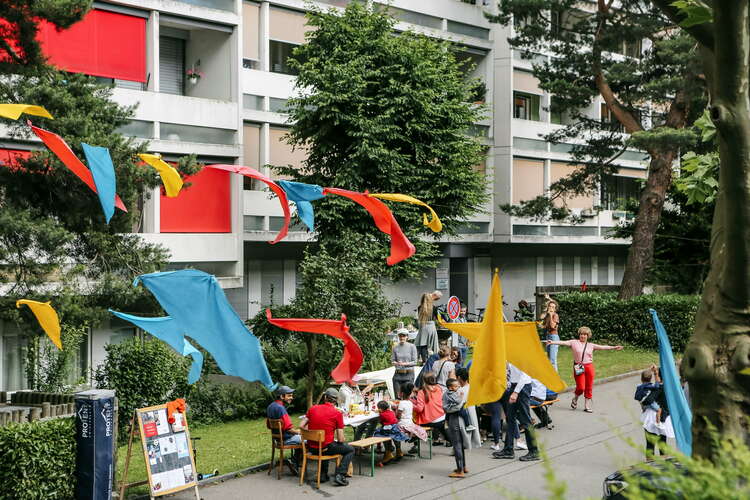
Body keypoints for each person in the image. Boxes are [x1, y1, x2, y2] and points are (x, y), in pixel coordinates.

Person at [546, 326, 623, 412]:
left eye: (585, 334)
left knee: (589, 386)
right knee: (581, 387)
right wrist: (552, 342)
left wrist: (614, 347)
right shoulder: (574, 342)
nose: (582, 336)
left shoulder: (591, 345)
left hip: (589, 366)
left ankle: (587, 406)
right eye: (581, 334)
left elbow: (603, 347)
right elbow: (563, 342)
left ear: (588, 336)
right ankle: (575, 398)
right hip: (578, 366)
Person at [300, 388, 355, 487]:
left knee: (326, 444)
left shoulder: (312, 408)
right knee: (350, 449)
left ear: (325, 397)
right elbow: (341, 439)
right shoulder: (337, 413)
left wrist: (313, 431)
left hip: (311, 447)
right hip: (324, 448)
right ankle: (340, 474)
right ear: (336, 400)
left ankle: (323, 475)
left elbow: (301, 426)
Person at [492, 362, 540, 461]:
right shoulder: (511, 352)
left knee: (526, 421)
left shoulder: (522, 352)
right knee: (510, 419)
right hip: (514, 386)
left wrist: (515, 392)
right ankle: (508, 449)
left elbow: (525, 375)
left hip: (522, 388)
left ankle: (534, 451)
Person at [266, 385, 301, 474]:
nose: (291, 398)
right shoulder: (281, 408)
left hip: (277, 439)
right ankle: (294, 461)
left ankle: (294, 461)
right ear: (282, 396)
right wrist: (299, 432)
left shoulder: (270, 406)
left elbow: (268, 425)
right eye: (289, 395)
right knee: (308, 439)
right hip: (286, 439)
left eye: (291, 395)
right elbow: (289, 428)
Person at [411, 372, 451, 447]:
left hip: (430, 420)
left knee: (413, 423)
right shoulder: (439, 388)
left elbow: (419, 409)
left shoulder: (421, 392)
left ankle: (415, 445)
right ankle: (450, 440)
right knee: (441, 427)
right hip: (442, 417)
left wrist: (411, 405)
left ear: (423, 380)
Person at [443, 378, 467, 478]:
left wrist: (461, 402)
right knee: (459, 443)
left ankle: (460, 470)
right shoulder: (451, 393)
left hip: (454, 418)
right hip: (458, 417)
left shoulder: (449, 393)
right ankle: (463, 467)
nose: (458, 388)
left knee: (457, 444)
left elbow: (450, 407)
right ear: (450, 387)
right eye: (456, 386)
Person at [373, 400, 409, 464]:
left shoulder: (382, 414)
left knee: (379, 434)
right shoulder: (391, 412)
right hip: (395, 428)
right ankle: (399, 452)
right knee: (394, 436)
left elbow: (381, 422)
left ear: (380, 409)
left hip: (389, 429)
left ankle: (388, 453)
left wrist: (379, 413)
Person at [415, 291, 442, 363]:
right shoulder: (434, 308)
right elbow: (439, 320)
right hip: (431, 327)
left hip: (423, 327)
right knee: (434, 345)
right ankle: (435, 360)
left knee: (423, 344)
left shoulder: (419, 308)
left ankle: (424, 360)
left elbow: (418, 318)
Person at [392, 330, 418, 399]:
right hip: (397, 374)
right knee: (397, 397)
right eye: (400, 335)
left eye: (404, 336)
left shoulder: (412, 346)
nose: (402, 337)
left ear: (407, 337)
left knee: (408, 397)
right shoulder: (395, 347)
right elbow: (393, 361)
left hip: (408, 374)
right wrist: (396, 363)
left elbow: (415, 362)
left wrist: (404, 364)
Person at [540, 296, 560, 371]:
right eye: (550, 306)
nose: (551, 308)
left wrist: (551, 315)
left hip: (554, 337)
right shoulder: (547, 316)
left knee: (552, 360)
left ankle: (556, 380)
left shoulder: (555, 315)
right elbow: (545, 325)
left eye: (553, 307)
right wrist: (541, 325)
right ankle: (551, 378)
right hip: (548, 336)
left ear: (555, 309)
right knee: (549, 359)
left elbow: (552, 326)